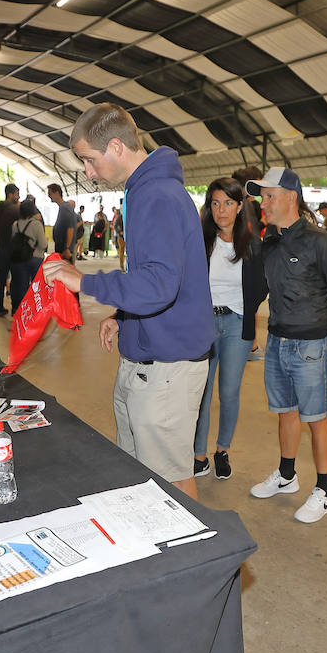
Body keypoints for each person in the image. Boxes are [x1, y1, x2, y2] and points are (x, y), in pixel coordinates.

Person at [42, 103, 214, 501]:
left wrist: (85, 281)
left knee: (171, 480)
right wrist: (123, 314)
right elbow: (156, 271)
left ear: (116, 146)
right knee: (141, 472)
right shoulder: (144, 191)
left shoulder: (157, 195)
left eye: (89, 160)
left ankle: (195, 558)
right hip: (147, 356)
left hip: (167, 366)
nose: (88, 172)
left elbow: (159, 285)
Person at [244, 167, 327, 522]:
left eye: (270, 197)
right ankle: (287, 475)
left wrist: (324, 331)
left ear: (291, 197)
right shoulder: (269, 241)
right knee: (285, 411)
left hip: (310, 344)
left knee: (316, 418)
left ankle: (325, 491)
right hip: (277, 340)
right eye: (262, 198)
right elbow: (259, 289)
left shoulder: (320, 241)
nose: (265, 204)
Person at [193, 178, 266, 482]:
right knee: (202, 392)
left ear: (239, 206)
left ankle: (222, 450)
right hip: (204, 324)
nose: (221, 210)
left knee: (229, 392)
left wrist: (251, 321)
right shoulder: (199, 240)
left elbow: (261, 286)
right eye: (215, 203)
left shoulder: (251, 243)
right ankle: (199, 455)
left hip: (237, 325)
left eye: (228, 203)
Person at [9, 197, 47, 312]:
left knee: (19, 285)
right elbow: (43, 244)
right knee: (35, 286)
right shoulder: (36, 224)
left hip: (19, 258)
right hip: (35, 258)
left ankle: (18, 310)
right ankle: (34, 310)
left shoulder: (15, 225)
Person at [0, 184, 21, 316]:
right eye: (16, 194)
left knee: (1, 278)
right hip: (14, 248)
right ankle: (15, 308)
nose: (18, 197)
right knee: (15, 278)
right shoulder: (16, 209)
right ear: (10, 194)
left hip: (1, 246)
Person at [49, 184, 78, 261]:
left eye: (50, 193)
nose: (49, 196)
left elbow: (70, 228)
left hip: (65, 251)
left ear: (57, 193)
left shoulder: (64, 208)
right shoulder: (63, 207)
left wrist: (67, 248)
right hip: (62, 250)